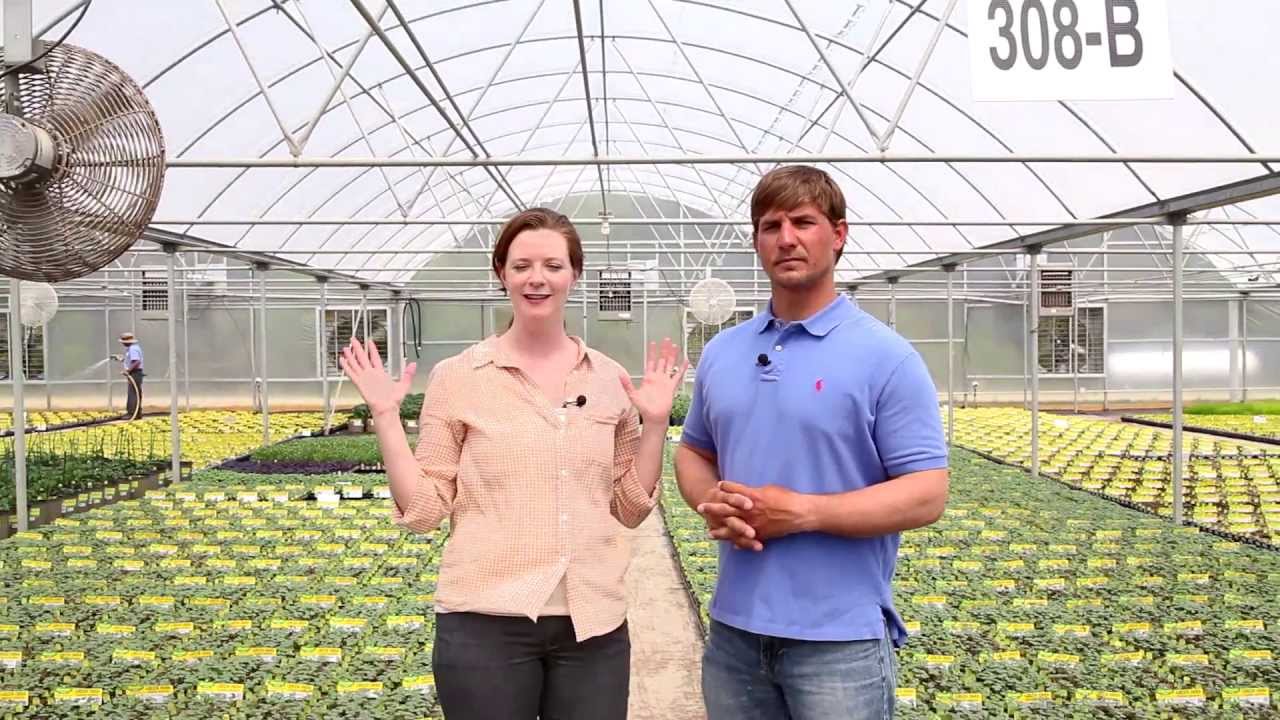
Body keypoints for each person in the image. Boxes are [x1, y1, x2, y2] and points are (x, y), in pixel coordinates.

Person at [339, 207, 688, 720]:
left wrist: (655, 425)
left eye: (552, 265)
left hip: (592, 625)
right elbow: (425, 510)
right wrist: (387, 416)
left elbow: (630, 507)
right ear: (501, 273)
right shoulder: (460, 376)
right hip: (485, 623)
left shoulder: (608, 378)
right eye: (522, 265)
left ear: (575, 274)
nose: (537, 279)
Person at [674, 165, 950, 720]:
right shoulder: (723, 352)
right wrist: (712, 503)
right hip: (734, 634)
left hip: (838, 641)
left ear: (838, 234)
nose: (787, 238)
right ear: (756, 241)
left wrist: (804, 512)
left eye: (804, 222)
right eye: (771, 225)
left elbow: (927, 492)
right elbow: (694, 451)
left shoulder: (885, 356)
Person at [118, 332, 144, 420]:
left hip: (135, 373)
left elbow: (136, 361)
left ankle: (133, 413)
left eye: (123, 342)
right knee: (134, 393)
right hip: (135, 372)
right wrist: (122, 359)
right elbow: (131, 360)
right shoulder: (132, 348)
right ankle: (136, 413)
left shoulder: (133, 349)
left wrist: (128, 370)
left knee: (133, 393)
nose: (122, 343)